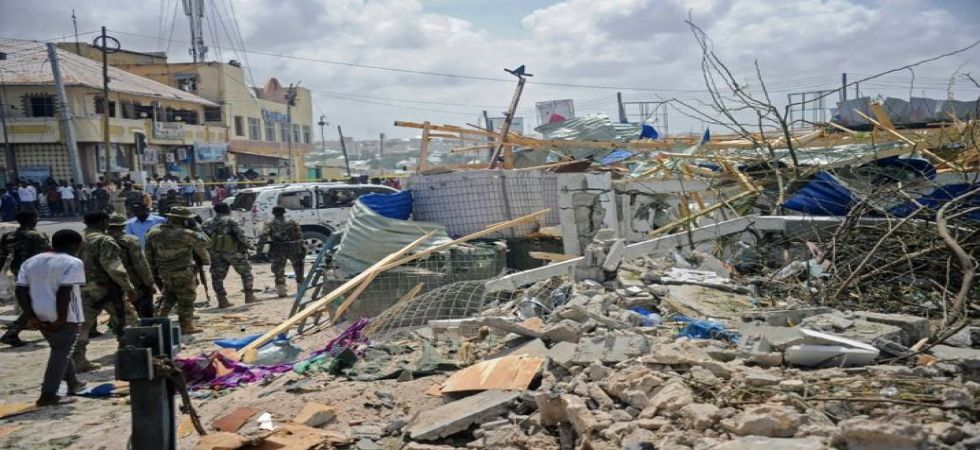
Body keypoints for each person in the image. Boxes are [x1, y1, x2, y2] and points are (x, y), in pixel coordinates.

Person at [15, 229, 88, 406]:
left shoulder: (31, 261)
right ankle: (48, 394)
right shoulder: (73, 262)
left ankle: (73, 382)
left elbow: (20, 289)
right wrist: (61, 319)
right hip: (66, 315)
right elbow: (64, 292)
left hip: (39, 312)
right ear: (74, 245)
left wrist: (30, 316)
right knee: (61, 352)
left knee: (60, 349)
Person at [72, 212, 138, 372]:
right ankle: (128, 354)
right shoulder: (104, 240)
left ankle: (78, 361)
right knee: (128, 320)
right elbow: (114, 268)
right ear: (104, 222)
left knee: (82, 326)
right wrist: (129, 287)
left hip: (82, 288)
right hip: (106, 289)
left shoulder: (77, 239)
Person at [145, 206, 211, 333]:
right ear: (185, 220)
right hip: (183, 271)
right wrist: (195, 227)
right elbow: (207, 242)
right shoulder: (186, 233)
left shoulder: (153, 232)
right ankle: (186, 325)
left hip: (164, 271)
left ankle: (160, 320)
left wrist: (154, 270)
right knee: (187, 297)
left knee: (169, 295)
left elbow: (148, 254)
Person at [0, 211, 52, 347]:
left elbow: (2, 256)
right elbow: (47, 254)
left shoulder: (9, 236)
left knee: (30, 301)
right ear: (33, 220)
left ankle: (40, 324)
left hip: (19, 271)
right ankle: (12, 333)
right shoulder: (38, 235)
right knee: (37, 302)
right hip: (37, 272)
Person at [202, 203, 257, 307]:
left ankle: (222, 300)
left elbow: (203, 239)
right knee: (246, 273)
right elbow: (241, 236)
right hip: (234, 252)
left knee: (217, 277)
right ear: (227, 210)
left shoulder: (206, 223)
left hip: (216, 253)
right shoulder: (231, 221)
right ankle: (249, 296)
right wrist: (250, 246)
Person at [107, 214, 157, 318]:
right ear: (123, 225)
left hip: (109, 282)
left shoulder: (102, 240)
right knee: (144, 310)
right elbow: (140, 264)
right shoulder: (130, 240)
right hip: (133, 281)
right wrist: (149, 283)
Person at [256, 206, 305, 298]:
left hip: (279, 249)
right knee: (298, 268)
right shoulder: (292, 222)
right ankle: (301, 289)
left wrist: (259, 251)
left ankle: (281, 291)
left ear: (273, 213)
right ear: (284, 212)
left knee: (279, 270)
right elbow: (300, 236)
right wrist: (302, 248)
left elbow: (264, 236)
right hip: (293, 248)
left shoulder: (270, 223)